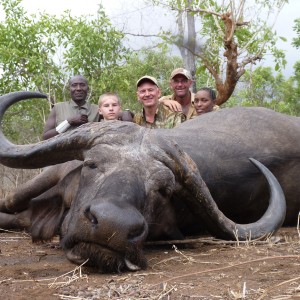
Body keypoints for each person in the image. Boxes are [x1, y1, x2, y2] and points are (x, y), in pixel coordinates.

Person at [43, 75, 99, 140]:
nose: (78, 88)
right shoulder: (58, 108)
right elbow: (46, 136)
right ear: (69, 89)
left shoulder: (97, 109)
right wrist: (68, 122)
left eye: (82, 85)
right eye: (74, 85)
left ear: (87, 88)